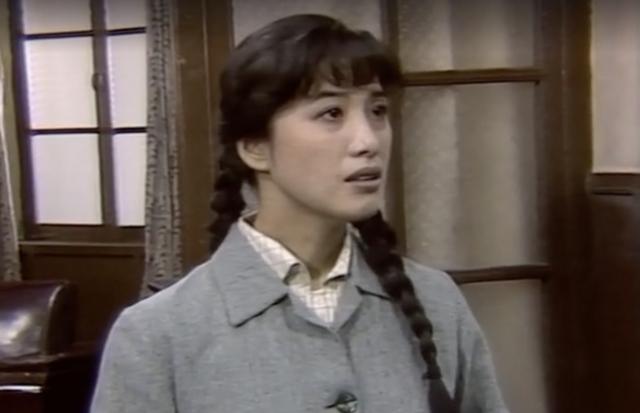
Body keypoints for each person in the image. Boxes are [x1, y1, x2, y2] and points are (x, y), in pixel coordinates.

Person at [91, 14, 508, 413]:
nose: (368, 141)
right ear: (255, 147)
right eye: (332, 113)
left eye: (378, 111)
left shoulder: (435, 300)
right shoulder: (157, 334)